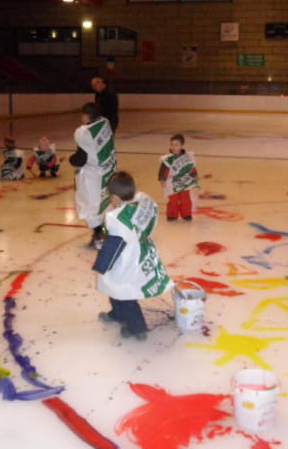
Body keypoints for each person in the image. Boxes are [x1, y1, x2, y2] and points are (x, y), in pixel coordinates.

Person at [94, 171, 173, 340]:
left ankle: (138, 329)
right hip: (142, 250)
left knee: (125, 292)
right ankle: (117, 314)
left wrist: (101, 265)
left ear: (114, 198)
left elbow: (113, 246)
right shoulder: (142, 202)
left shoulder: (116, 219)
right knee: (115, 286)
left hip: (127, 258)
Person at [69, 102, 116, 247]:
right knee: (105, 204)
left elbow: (80, 159)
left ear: (85, 115)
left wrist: (70, 159)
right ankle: (106, 231)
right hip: (109, 169)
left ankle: (100, 235)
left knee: (90, 206)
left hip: (93, 175)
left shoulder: (84, 133)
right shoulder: (104, 123)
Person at [158, 133, 198, 221]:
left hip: (184, 181)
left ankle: (186, 214)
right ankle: (172, 215)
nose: (173, 147)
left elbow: (191, 167)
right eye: (172, 145)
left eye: (176, 145)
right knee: (173, 199)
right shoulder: (167, 159)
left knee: (185, 199)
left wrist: (194, 175)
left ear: (182, 146)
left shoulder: (187, 157)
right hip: (171, 183)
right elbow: (163, 170)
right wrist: (162, 179)